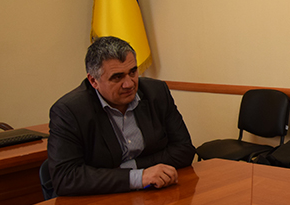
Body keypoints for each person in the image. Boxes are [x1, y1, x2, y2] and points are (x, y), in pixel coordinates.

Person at [48, 36, 195, 196]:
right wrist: (137, 177)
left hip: (153, 193)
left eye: (133, 72)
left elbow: (184, 149)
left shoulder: (156, 92)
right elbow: (65, 177)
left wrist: (133, 169)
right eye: (117, 77)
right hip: (100, 200)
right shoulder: (69, 111)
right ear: (93, 81)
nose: (129, 84)